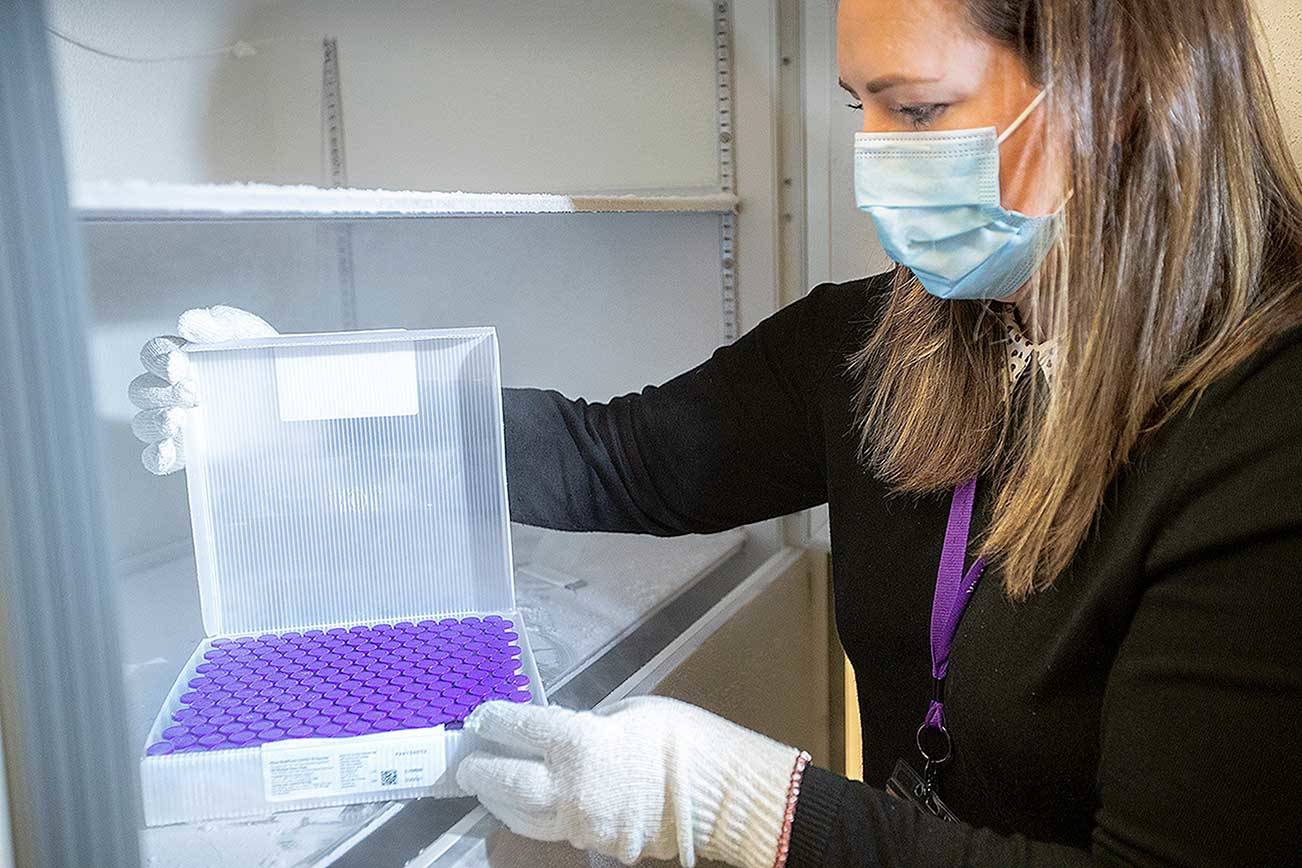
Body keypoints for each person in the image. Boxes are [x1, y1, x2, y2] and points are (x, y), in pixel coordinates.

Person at [128, 0, 1302, 865]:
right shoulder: (884, 342)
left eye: (920, 108)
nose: (879, 161)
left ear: (1122, 87)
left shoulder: (1265, 420)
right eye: (862, 110)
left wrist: (732, 801)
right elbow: (617, 456)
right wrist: (300, 404)